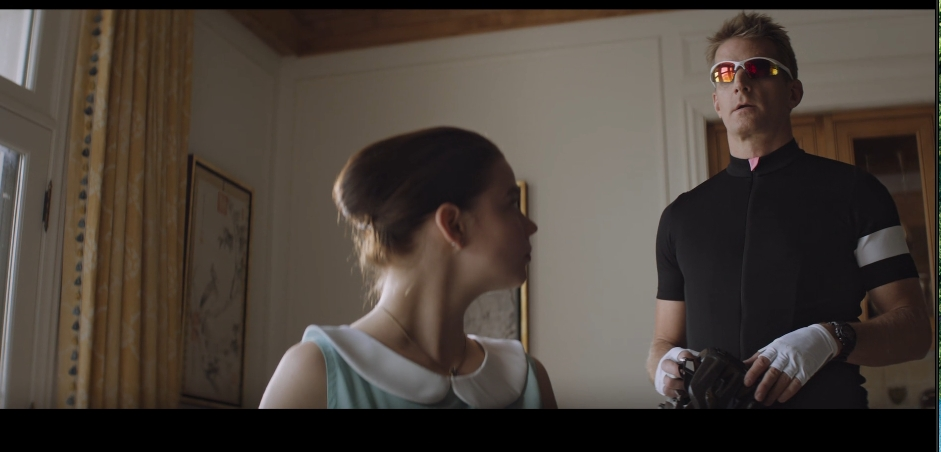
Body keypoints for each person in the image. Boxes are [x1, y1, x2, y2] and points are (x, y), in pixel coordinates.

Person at [646, 12, 931, 409]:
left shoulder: (857, 192)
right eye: (725, 73)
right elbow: (663, 342)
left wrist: (832, 338)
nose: (740, 82)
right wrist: (664, 366)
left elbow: (915, 330)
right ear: (716, 101)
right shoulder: (679, 217)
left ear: (793, 92)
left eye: (759, 68)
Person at [259, 126, 557, 408]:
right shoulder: (315, 377)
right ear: (453, 225)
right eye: (511, 204)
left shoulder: (528, 382)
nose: (531, 226)